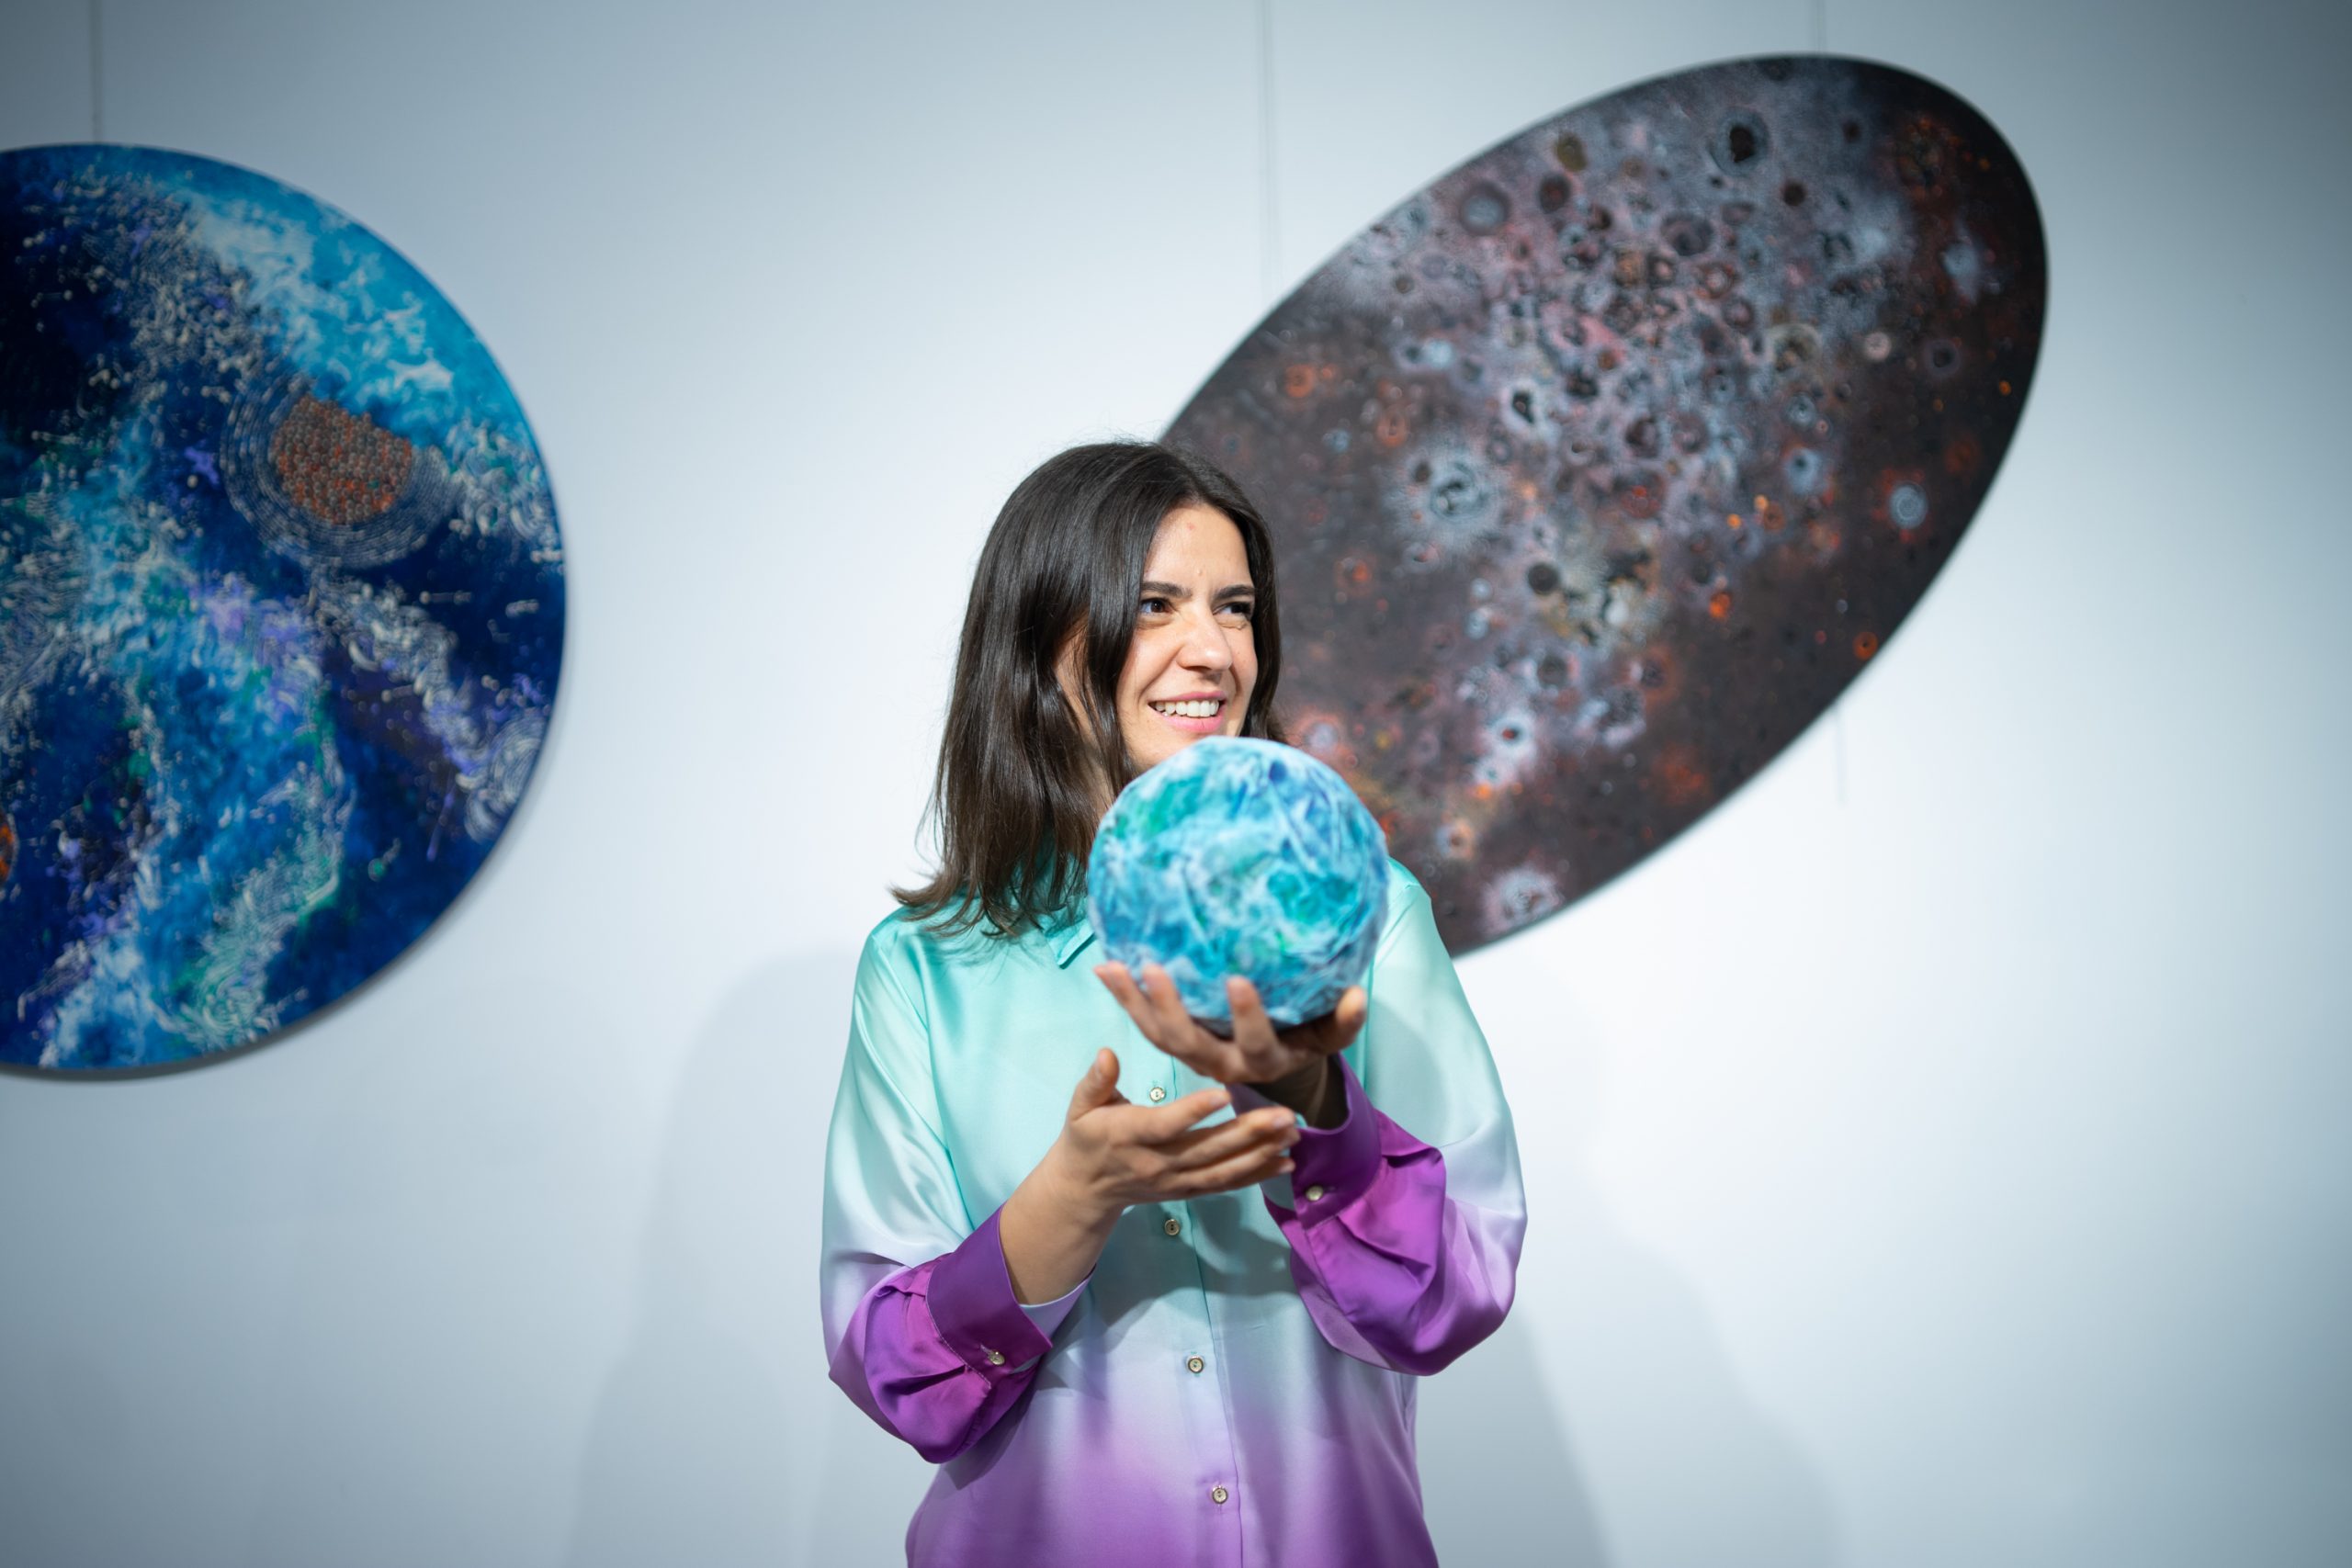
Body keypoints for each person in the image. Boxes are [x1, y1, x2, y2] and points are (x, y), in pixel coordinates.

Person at [820, 440, 1524, 1566]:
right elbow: (902, 1383)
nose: (1213, 651)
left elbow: (1450, 1302)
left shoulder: (1367, 915)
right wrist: (1071, 1198)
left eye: (1234, 608)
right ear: (1041, 640)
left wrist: (1314, 1105)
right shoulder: (921, 970)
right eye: (1155, 606)